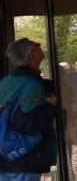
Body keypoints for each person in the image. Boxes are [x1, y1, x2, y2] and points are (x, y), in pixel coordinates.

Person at [0, 38, 58, 181]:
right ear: (32, 55)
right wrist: (50, 106)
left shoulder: (5, 82)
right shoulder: (33, 84)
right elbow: (27, 123)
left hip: (5, 158)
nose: (39, 45)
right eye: (36, 45)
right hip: (25, 159)